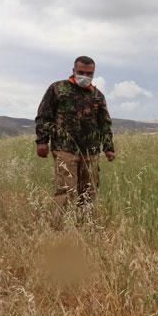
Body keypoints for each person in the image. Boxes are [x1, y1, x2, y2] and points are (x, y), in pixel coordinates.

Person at [35, 56, 115, 225]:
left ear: (93, 74)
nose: (84, 76)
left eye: (89, 73)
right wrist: (42, 141)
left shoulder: (98, 96)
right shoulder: (57, 88)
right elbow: (44, 115)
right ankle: (57, 229)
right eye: (81, 72)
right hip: (65, 149)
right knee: (66, 190)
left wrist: (109, 148)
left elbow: (105, 124)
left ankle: (85, 227)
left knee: (89, 192)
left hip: (91, 152)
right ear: (73, 71)